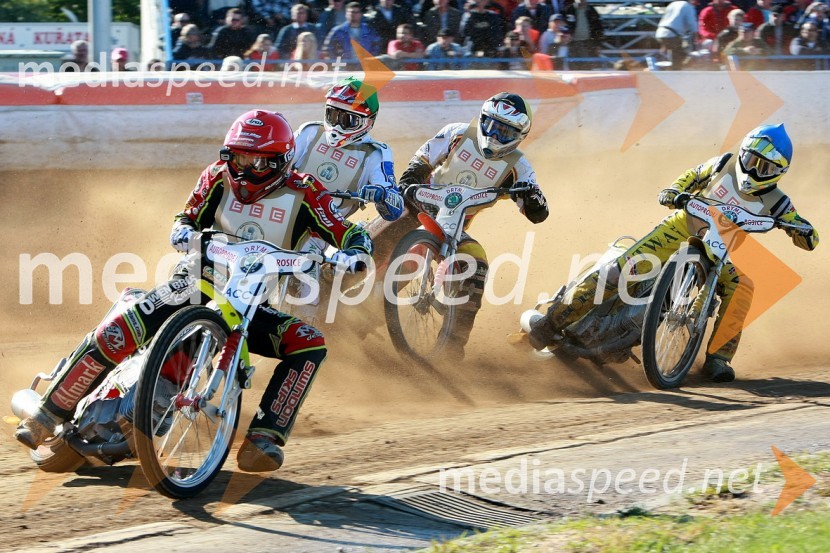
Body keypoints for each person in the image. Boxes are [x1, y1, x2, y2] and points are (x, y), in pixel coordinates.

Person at [14, 110, 373, 473]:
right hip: (194, 285)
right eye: (238, 158)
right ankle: (46, 413)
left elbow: (347, 231)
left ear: (281, 161)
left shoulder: (305, 191)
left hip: (249, 306)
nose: (244, 170)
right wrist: (183, 229)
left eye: (256, 161)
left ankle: (264, 438)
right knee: (122, 329)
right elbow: (186, 216)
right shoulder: (217, 176)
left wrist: (357, 253)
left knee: (309, 342)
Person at [528, 124, 819, 383]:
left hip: (721, 252)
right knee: (618, 270)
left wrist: (804, 232)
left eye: (765, 168)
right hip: (679, 228)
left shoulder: (779, 202)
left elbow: (808, 235)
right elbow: (692, 176)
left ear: (778, 173)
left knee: (743, 285)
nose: (755, 170)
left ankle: (718, 359)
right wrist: (674, 190)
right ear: (742, 153)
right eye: (752, 160)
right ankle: (552, 322)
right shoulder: (723, 164)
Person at [371, 92, 549, 359]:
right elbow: (421, 161)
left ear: (520, 134)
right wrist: (409, 182)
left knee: (476, 265)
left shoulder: (519, 166)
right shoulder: (457, 133)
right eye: (491, 125)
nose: (494, 135)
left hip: (453, 227)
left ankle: (452, 346)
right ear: (482, 119)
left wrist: (531, 196)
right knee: (367, 244)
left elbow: (538, 213)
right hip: (418, 205)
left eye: (504, 131)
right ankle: (330, 281)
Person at [293, 77, 403, 226]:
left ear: (368, 121)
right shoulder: (310, 132)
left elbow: (395, 211)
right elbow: (278, 162)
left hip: (322, 230)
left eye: (348, 120)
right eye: (333, 116)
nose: (337, 126)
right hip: (284, 208)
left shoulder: (376, 154)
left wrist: (382, 195)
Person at [655, 0, 699, 70]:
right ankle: (676, 73)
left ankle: (667, 69)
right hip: (672, 34)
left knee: (673, 53)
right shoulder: (687, 6)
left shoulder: (673, 4)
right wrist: (696, 34)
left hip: (661, 31)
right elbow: (691, 22)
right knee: (680, 55)